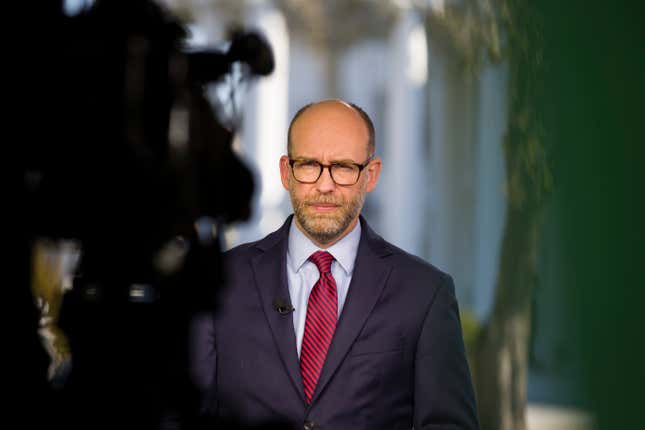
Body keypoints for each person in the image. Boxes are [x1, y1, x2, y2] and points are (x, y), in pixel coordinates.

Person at [194, 99, 479, 429]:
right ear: (286, 172)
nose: (324, 185)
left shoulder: (425, 294)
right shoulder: (219, 280)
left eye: (343, 167)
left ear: (370, 175)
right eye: (309, 164)